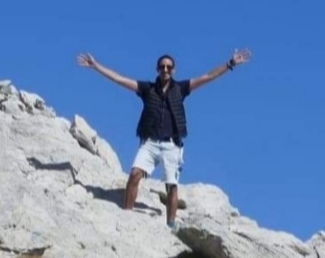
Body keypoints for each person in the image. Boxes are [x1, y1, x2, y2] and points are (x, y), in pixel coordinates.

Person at [75, 48, 253, 229]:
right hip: (150, 142)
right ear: (157, 69)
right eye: (162, 67)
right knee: (135, 174)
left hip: (172, 145)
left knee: (171, 186)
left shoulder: (181, 88)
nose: (165, 70)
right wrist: (96, 66)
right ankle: (126, 215)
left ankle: (171, 225)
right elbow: (120, 79)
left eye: (169, 67)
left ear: (173, 70)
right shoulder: (147, 89)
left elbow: (208, 76)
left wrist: (230, 64)